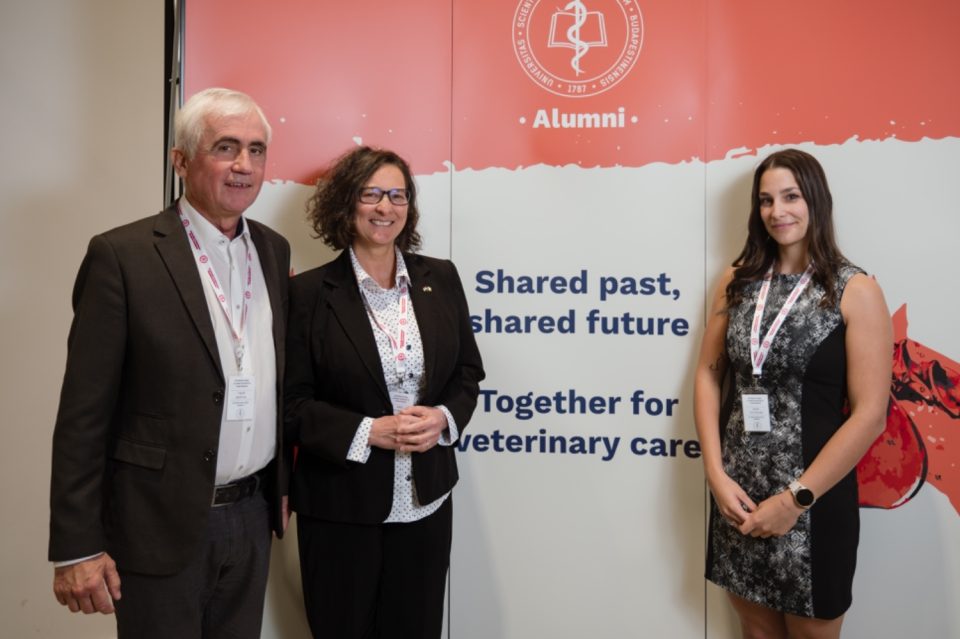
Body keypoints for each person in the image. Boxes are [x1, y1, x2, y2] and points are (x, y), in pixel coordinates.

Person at [48, 87, 290, 639]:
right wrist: (77, 547)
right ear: (181, 160)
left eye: (256, 150)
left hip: (251, 518)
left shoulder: (273, 250)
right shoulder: (123, 256)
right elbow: (83, 414)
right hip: (158, 523)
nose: (244, 165)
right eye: (225, 147)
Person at [285, 146, 485, 638]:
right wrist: (366, 431)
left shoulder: (441, 277)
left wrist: (443, 418)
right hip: (340, 505)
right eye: (370, 194)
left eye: (397, 195)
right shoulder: (307, 294)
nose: (385, 207)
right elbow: (291, 405)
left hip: (426, 500)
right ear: (345, 202)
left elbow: (467, 373)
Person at [693, 149, 892, 638]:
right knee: (755, 630)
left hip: (813, 501)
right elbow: (708, 376)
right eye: (766, 200)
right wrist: (716, 475)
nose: (777, 211)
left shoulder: (855, 289)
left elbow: (870, 414)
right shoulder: (736, 282)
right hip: (739, 498)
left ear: (816, 201)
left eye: (791, 197)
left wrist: (795, 499)